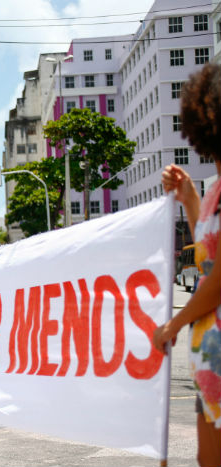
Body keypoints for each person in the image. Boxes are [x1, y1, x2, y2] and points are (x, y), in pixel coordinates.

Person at [153, 63, 221, 467]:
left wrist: (174, 324)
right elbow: (207, 259)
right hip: (210, 358)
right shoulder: (214, 190)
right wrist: (192, 200)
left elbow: (217, 280)